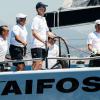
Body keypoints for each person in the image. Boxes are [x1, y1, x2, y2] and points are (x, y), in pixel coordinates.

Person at [31, 2, 55, 70]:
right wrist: (44, 41)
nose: (44, 10)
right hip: (37, 45)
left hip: (44, 46)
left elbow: (47, 32)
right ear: (38, 10)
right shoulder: (36, 19)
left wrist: (55, 37)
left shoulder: (44, 19)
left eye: (44, 9)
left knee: (40, 64)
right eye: (42, 9)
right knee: (37, 64)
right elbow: (34, 33)